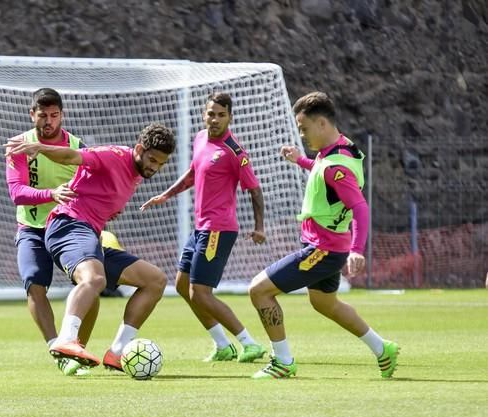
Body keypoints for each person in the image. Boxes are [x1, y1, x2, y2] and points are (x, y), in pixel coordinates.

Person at [248, 91, 399, 380]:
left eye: (304, 129)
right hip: (330, 246)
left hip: (324, 249)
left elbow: (360, 207)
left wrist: (358, 249)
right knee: (324, 303)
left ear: (321, 124)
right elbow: (324, 173)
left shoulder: (335, 167)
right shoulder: (341, 149)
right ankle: (383, 349)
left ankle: (282, 362)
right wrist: (300, 161)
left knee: (259, 290)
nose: (302, 135)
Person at [5, 123, 176, 369]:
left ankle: (116, 353)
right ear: (139, 148)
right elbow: (72, 156)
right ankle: (65, 339)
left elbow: (102, 194)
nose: (154, 167)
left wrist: (108, 209)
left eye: (161, 164)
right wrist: (40, 148)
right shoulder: (114, 155)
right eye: (152, 160)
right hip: (68, 224)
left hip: (89, 233)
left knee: (155, 281)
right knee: (95, 279)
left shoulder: (138, 173)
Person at [141, 93, 267, 363]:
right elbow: (192, 173)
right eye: (211, 114)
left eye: (221, 115)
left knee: (200, 292)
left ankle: (249, 343)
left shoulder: (235, 152)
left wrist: (260, 227)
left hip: (219, 229)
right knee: (182, 285)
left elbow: (254, 190)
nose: (215, 119)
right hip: (201, 228)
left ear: (230, 117)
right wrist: (166, 195)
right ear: (203, 114)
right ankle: (222, 345)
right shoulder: (200, 138)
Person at [5, 87, 99, 376]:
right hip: (32, 228)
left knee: (90, 282)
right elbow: (17, 192)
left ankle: (76, 345)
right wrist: (51, 194)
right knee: (34, 283)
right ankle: (56, 348)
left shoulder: (76, 145)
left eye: (54, 115)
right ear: (31, 114)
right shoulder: (20, 145)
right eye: (43, 115)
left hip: (68, 226)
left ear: (62, 115)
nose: (49, 121)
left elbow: (91, 186)